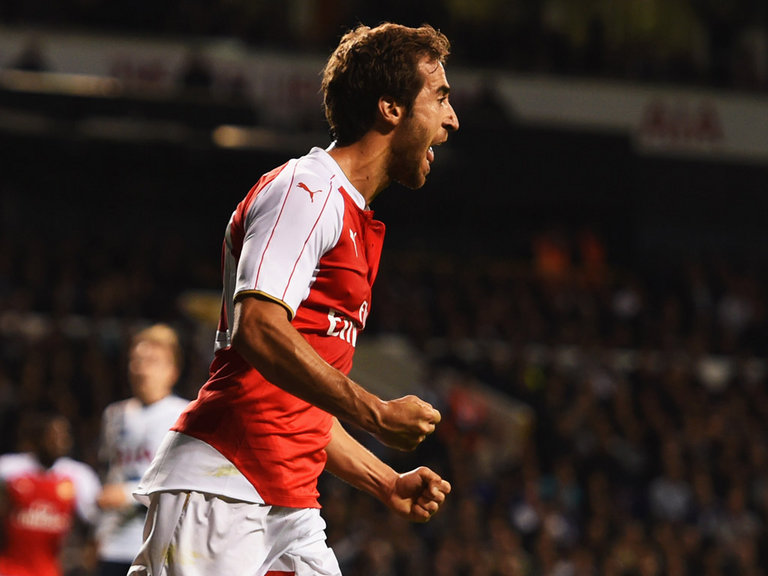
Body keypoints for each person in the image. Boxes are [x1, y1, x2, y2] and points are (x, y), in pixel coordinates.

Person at [129, 21, 459, 576]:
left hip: (289, 504)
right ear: (391, 108)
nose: (452, 119)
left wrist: (384, 480)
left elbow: (300, 395)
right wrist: (376, 413)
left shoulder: (355, 218)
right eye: (441, 97)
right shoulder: (307, 190)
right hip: (223, 485)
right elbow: (256, 329)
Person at [96, 324, 189, 576]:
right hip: (112, 543)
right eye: (136, 360)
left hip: (156, 544)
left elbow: (183, 484)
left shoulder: (184, 415)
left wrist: (126, 494)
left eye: (152, 361)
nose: (141, 368)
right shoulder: (114, 414)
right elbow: (112, 471)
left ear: (173, 370)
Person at [0, 411, 102, 576]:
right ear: (37, 438)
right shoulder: (9, 469)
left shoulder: (79, 475)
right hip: (9, 567)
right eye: (53, 434)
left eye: (64, 435)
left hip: (52, 568)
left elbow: (93, 519)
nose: (59, 441)